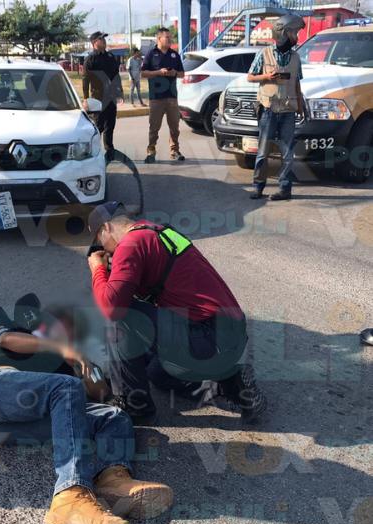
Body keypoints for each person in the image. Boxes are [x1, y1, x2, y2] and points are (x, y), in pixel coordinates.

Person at [0, 299, 173, 524]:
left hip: (14, 427)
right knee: (67, 387)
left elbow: (100, 396)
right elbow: (6, 340)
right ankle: (70, 494)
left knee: (114, 416)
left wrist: (86, 368)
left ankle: (113, 481)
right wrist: (61, 348)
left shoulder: (66, 367)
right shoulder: (15, 330)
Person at [86, 201, 267, 424]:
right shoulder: (156, 232)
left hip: (208, 337)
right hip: (228, 335)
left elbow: (112, 307)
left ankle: (134, 406)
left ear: (106, 227)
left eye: (99, 242)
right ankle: (235, 387)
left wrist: (98, 269)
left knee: (123, 316)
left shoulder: (130, 244)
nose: (103, 250)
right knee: (157, 374)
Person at [247, 14, 306, 202]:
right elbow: (250, 77)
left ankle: (285, 189)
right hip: (268, 110)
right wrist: (266, 77)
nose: (296, 36)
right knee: (263, 152)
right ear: (283, 33)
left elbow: (296, 83)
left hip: (288, 111)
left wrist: (301, 107)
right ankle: (258, 187)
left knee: (288, 154)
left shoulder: (296, 57)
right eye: (294, 32)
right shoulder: (264, 54)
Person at [141, 28, 186, 163]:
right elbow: (143, 73)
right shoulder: (151, 54)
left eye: (170, 37)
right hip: (156, 98)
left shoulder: (174, 55)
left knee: (174, 127)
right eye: (167, 37)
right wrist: (158, 72)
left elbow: (182, 74)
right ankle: (151, 151)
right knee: (154, 127)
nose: (170, 39)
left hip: (172, 97)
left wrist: (174, 73)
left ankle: (174, 150)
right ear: (159, 39)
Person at [82, 32, 122, 162]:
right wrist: (85, 99)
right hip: (98, 97)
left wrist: (120, 92)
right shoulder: (90, 59)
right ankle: (93, 151)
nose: (104, 41)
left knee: (110, 125)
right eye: (101, 39)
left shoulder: (110, 57)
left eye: (104, 39)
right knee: (98, 126)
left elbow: (116, 75)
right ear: (94, 42)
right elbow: (85, 79)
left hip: (111, 97)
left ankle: (109, 150)